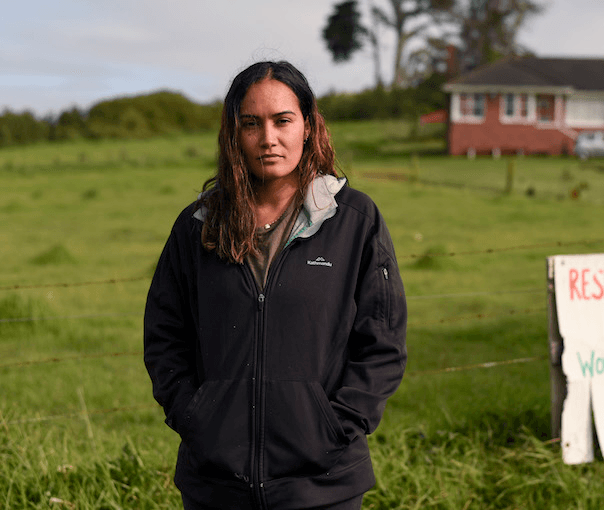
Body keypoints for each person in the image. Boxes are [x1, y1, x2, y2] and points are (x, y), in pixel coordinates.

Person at [143, 61, 407, 510]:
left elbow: (382, 343)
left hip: (323, 485)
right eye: (252, 124)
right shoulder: (197, 227)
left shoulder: (355, 222)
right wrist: (196, 417)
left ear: (307, 126)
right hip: (215, 487)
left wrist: (333, 428)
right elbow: (166, 337)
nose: (268, 138)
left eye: (283, 120)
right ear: (234, 135)